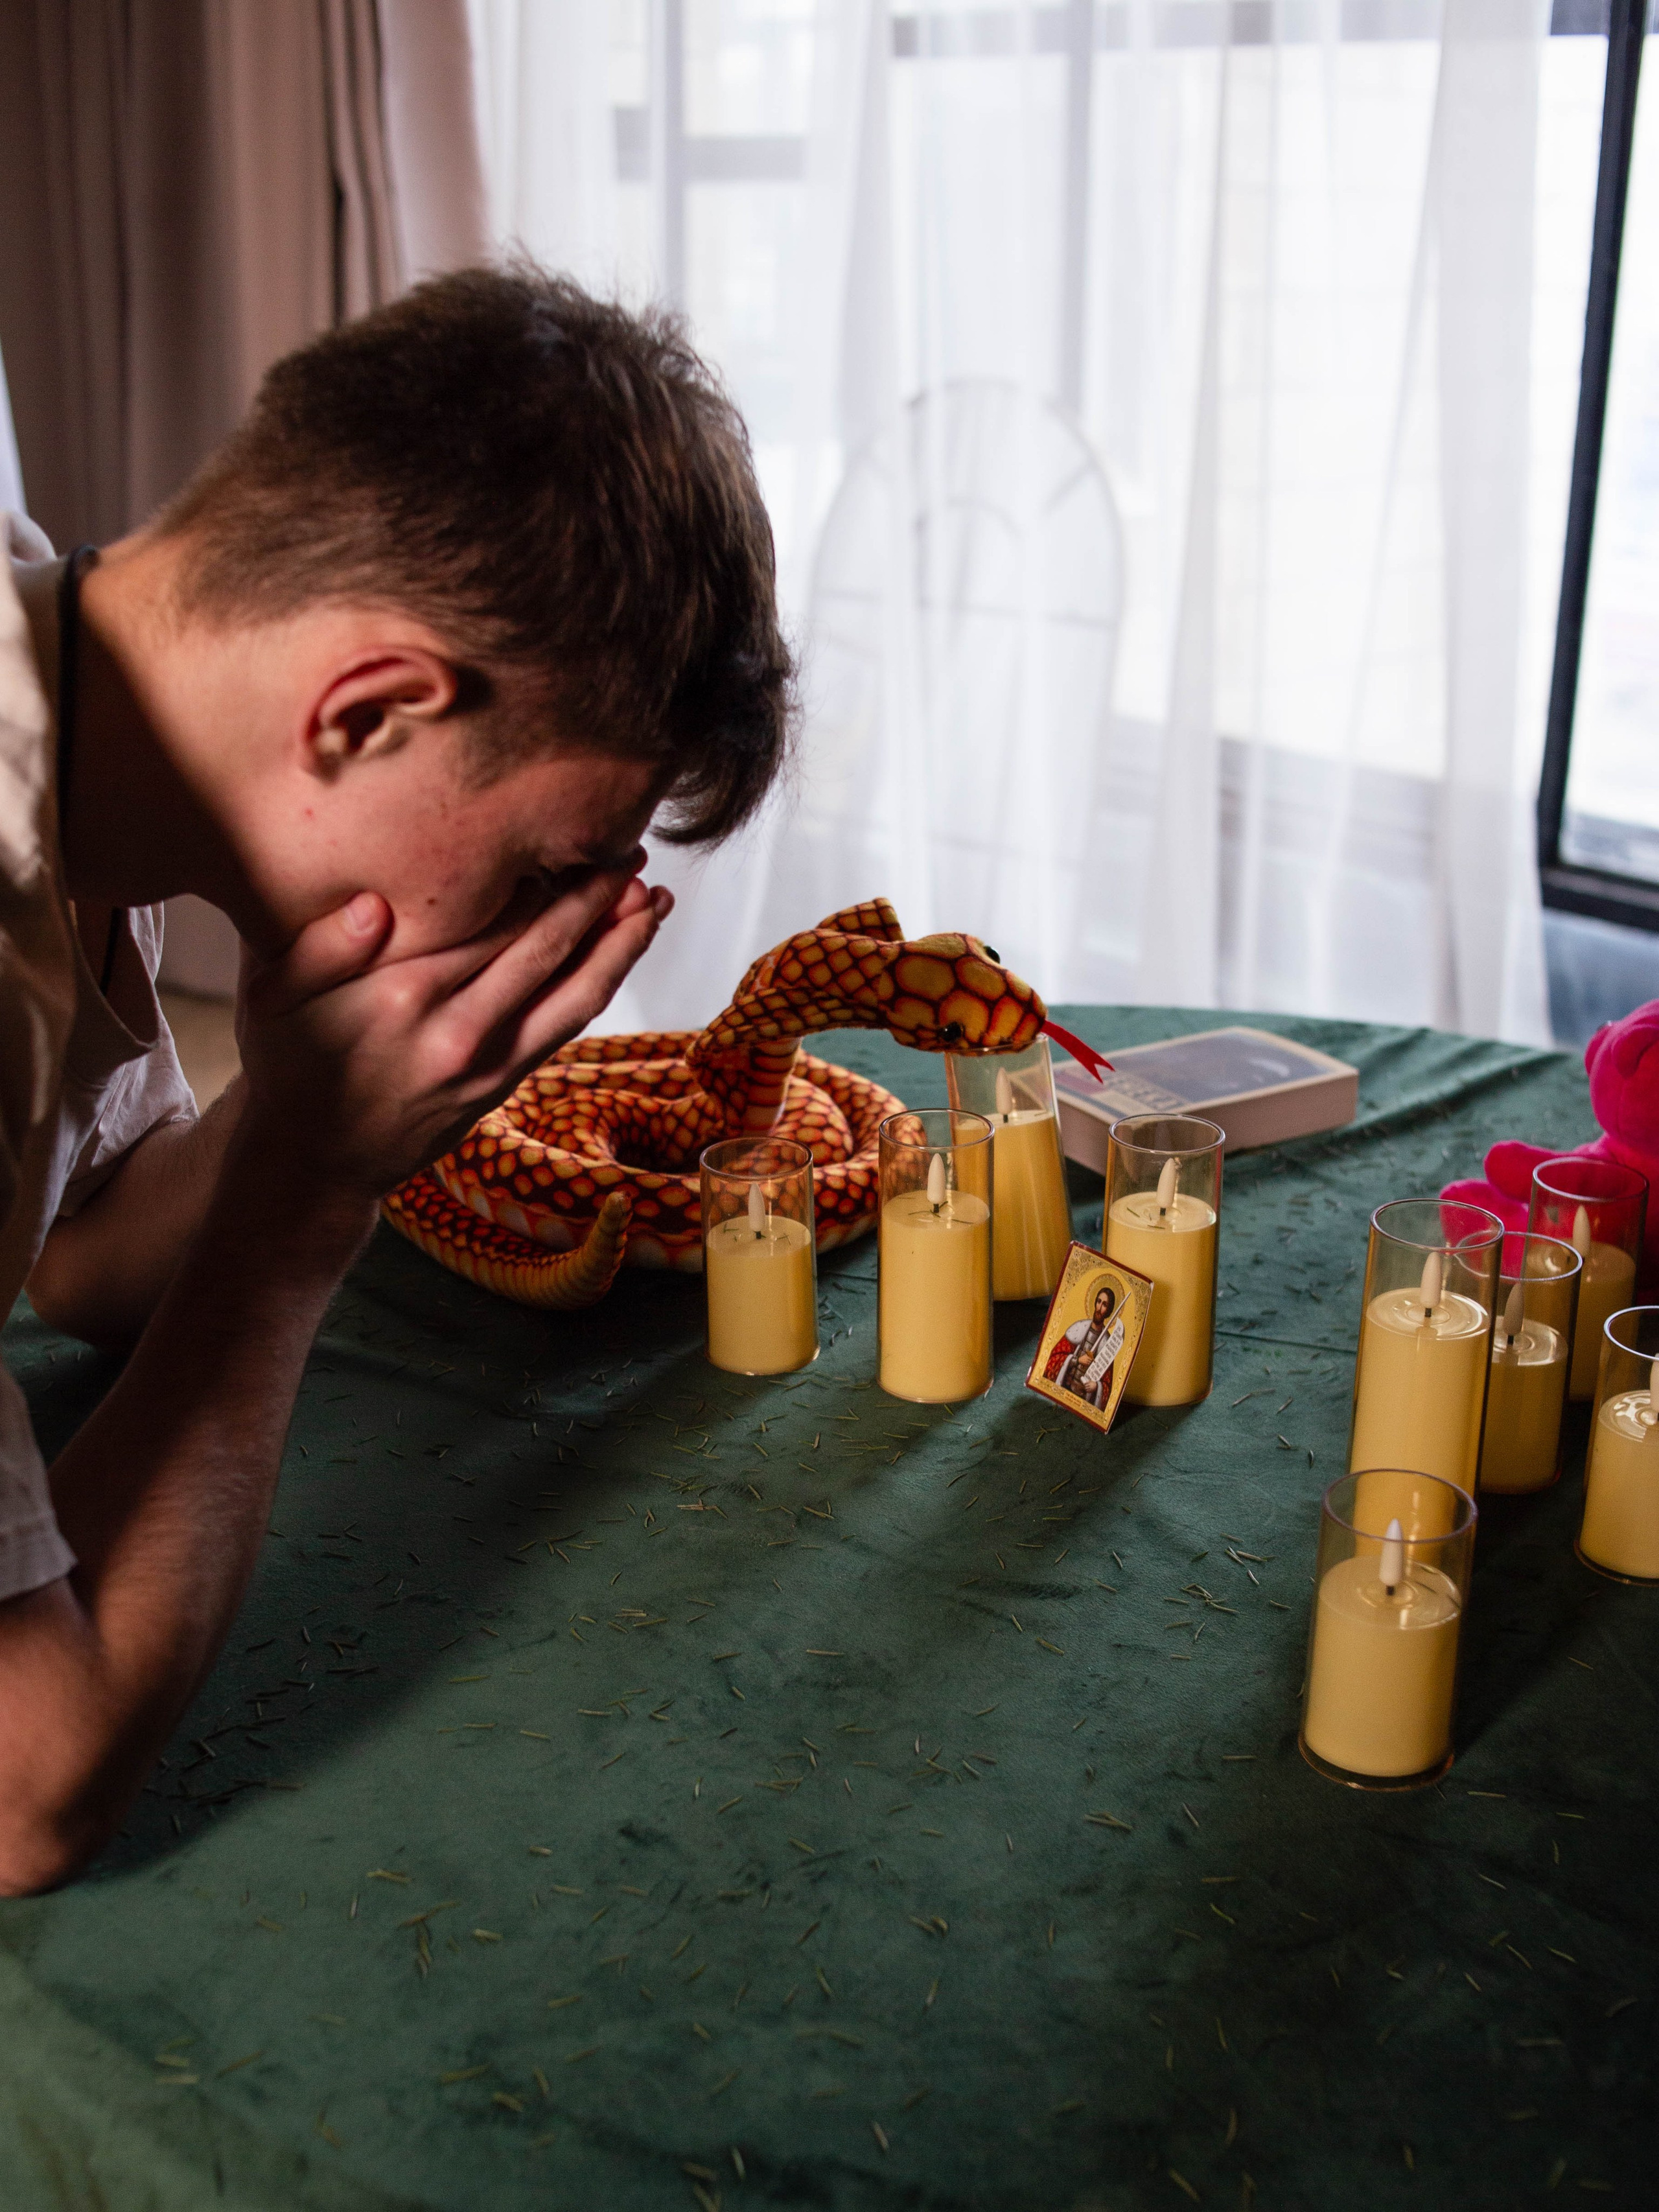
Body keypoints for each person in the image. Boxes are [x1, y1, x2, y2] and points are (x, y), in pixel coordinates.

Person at [0, 266, 792, 1894]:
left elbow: (73, 1245)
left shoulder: (88, 700)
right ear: (366, 709)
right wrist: (303, 1204)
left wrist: (299, 1105)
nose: (563, 922)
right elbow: (24, 1786)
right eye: (555, 860)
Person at [1045, 1281, 1122, 1410]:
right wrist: (1076, 1360)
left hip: (1082, 1399)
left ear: (1109, 1310)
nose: (1099, 1307)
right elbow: (1055, 1357)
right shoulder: (1079, 1328)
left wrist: (1097, 1386)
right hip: (1065, 1387)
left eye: (1104, 1305)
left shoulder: (1108, 1343)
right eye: (1098, 1302)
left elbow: (1107, 1383)